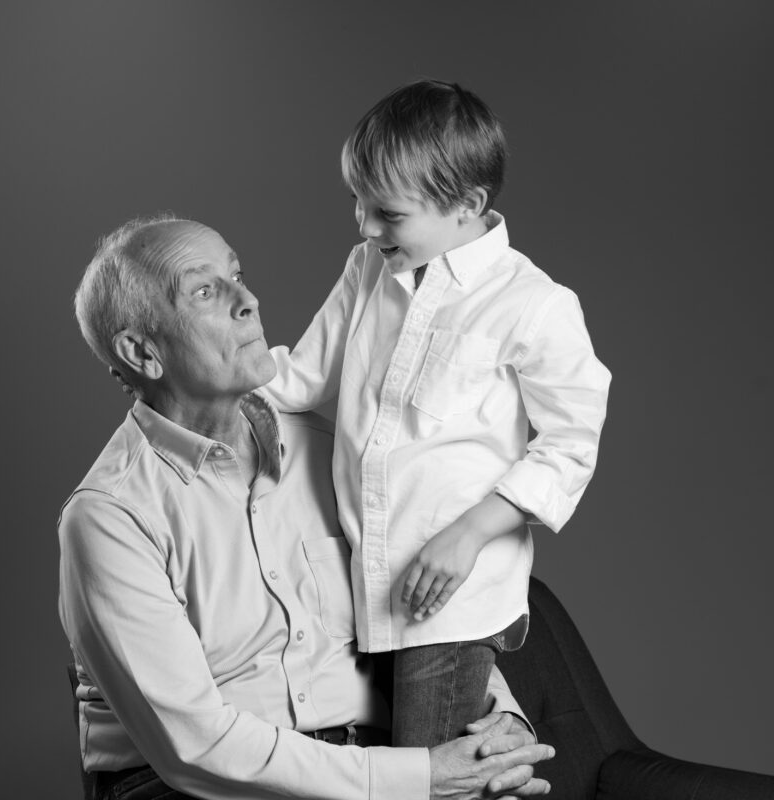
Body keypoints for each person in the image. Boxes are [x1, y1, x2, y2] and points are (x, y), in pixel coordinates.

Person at [59, 215, 554, 800]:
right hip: (196, 787)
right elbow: (195, 749)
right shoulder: (109, 517)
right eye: (205, 291)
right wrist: (422, 778)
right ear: (142, 351)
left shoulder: (335, 452)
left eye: (237, 275)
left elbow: (416, 608)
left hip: (381, 759)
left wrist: (498, 723)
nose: (249, 301)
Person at [260, 79, 612, 748]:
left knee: (425, 778)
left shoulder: (532, 303)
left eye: (388, 213)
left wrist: (472, 532)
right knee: (393, 767)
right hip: (365, 585)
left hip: (453, 597)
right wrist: (207, 381)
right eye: (358, 203)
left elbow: (571, 442)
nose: (365, 226)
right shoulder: (367, 267)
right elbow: (301, 378)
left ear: (467, 205)